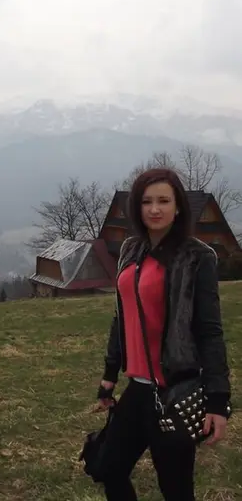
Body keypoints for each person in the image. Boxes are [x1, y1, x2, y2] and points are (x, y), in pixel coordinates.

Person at [96, 168, 231, 501]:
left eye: (163, 201)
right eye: (147, 202)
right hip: (137, 388)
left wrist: (218, 400)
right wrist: (110, 375)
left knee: (176, 489)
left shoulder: (197, 257)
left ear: (178, 206)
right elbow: (122, 315)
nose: (154, 209)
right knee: (108, 468)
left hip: (174, 392)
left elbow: (210, 332)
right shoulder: (131, 249)